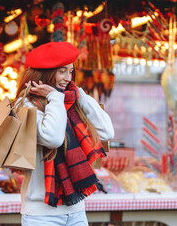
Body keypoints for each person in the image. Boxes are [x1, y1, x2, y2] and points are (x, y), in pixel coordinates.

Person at [15, 41, 115, 226]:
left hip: (76, 210)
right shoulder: (25, 105)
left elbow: (107, 132)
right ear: (44, 73)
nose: (68, 78)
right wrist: (54, 97)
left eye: (70, 71)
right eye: (62, 71)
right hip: (41, 215)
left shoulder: (70, 100)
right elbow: (53, 139)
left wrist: (81, 95)